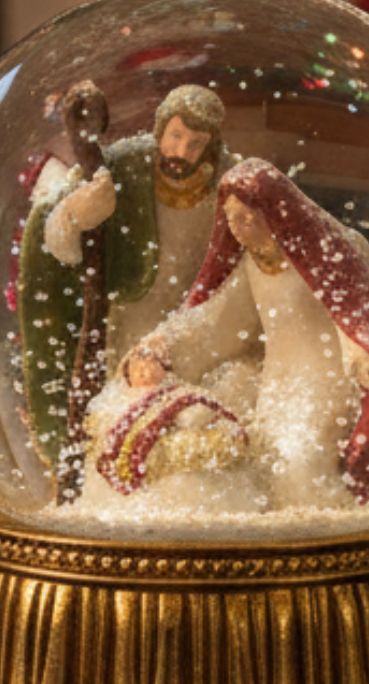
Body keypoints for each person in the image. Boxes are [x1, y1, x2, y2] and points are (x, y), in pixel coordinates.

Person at [119, 158, 369, 506]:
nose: (237, 228)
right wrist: (165, 340)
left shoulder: (318, 255)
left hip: (324, 384)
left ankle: (325, 536)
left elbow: (349, 313)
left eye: (246, 218)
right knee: (265, 462)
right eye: (230, 218)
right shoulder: (250, 263)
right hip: (278, 383)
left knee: (300, 466)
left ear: (273, 213)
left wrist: (364, 359)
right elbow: (216, 319)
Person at [16, 83, 227, 477]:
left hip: (201, 329)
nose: (181, 152)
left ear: (211, 147)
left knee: (189, 426)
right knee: (126, 414)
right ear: (160, 130)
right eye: (175, 136)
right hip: (132, 323)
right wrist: (76, 216)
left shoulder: (228, 180)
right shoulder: (124, 167)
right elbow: (51, 232)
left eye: (195, 143)